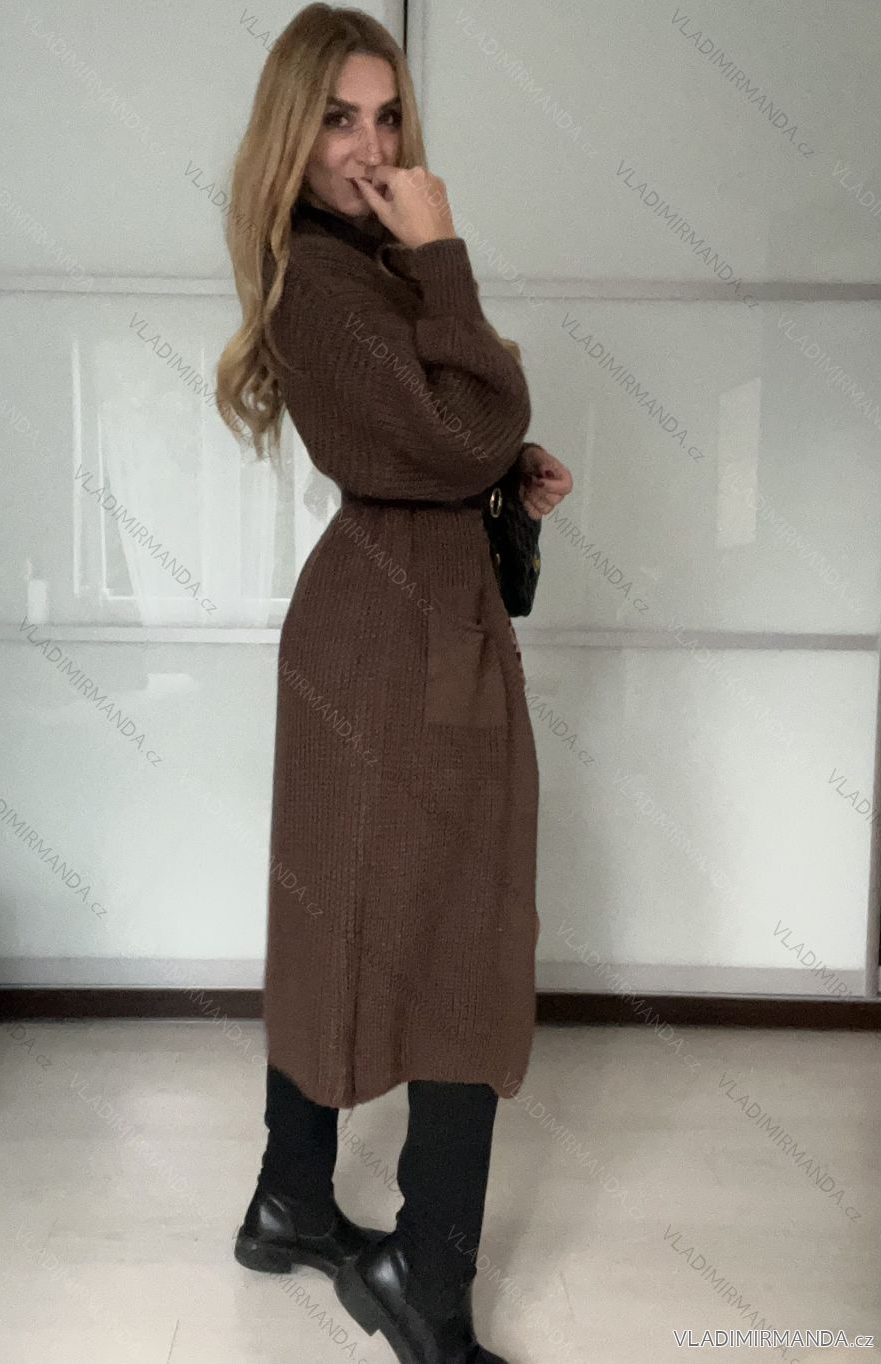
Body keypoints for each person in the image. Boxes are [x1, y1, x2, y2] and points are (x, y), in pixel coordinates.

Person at [215, 6, 572, 1361]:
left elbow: (454, 441)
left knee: (349, 911)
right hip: (397, 646)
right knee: (461, 941)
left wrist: (503, 479)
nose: (369, 147)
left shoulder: (355, 271)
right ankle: (426, 1285)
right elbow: (461, 424)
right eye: (337, 119)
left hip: (394, 622)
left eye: (387, 118)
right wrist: (444, 251)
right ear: (290, 135)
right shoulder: (327, 277)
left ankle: (292, 1203)